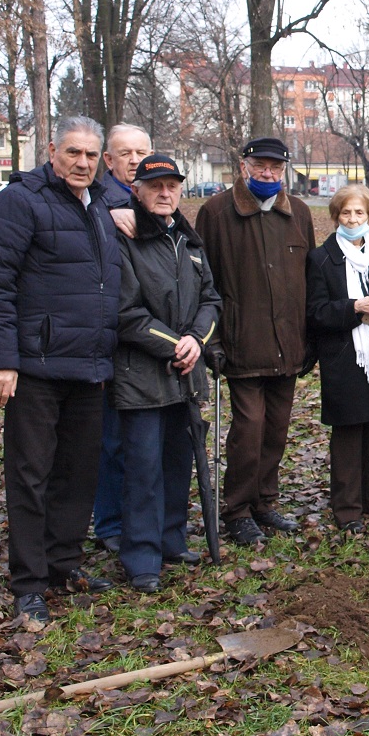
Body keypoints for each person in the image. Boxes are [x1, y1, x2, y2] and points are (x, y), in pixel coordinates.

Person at [0, 116, 120, 622]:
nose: (81, 163)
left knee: (77, 474)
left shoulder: (101, 204)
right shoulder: (20, 202)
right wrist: (2, 360)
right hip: (34, 368)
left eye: (89, 154)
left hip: (89, 367)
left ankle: (63, 563)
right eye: (72, 153)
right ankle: (29, 582)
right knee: (30, 476)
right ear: (51, 151)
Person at [195, 137, 316, 545]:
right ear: (244, 165)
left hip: (289, 342)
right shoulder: (215, 212)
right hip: (241, 342)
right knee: (248, 430)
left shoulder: (297, 211)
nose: (267, 174)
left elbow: (310, 277)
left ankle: (265, 502)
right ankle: (237, 510)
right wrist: (211, 337)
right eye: (260, 166)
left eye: (275, 168)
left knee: (277, 429)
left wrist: (309, 335)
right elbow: (203, 280)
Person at [112, 154, 220, 592]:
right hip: (141, 376)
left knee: (179, 463)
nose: (164, 193)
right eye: (154, 185)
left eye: (172, 185)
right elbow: (126, 313)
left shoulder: (190, 243)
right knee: (143, 469)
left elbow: (211, 299)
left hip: (186, 375)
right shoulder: (125, 238)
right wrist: (175, 345)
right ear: (136, 191)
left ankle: (172, 540)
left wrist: (196, 339)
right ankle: (141, 558)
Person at [306, 185, 369, 533]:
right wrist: (356, 308)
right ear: (336, 216)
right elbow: (316, 312)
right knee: (348, 433)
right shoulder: (321, 257)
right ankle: (347, 509)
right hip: (345, 358)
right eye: (345, 213)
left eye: (359, 213)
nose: (352, 219)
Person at [92, 123, 154, 555]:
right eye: (124, 153)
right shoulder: (95, 202)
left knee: (148, 443)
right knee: (112, 439)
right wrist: (105, 212)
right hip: (112, 339)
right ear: (107, 160)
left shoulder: (157, 197)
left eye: (140, 151)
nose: (133, 160)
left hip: (154, 339)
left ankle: (145, 521)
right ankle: (110, 523)